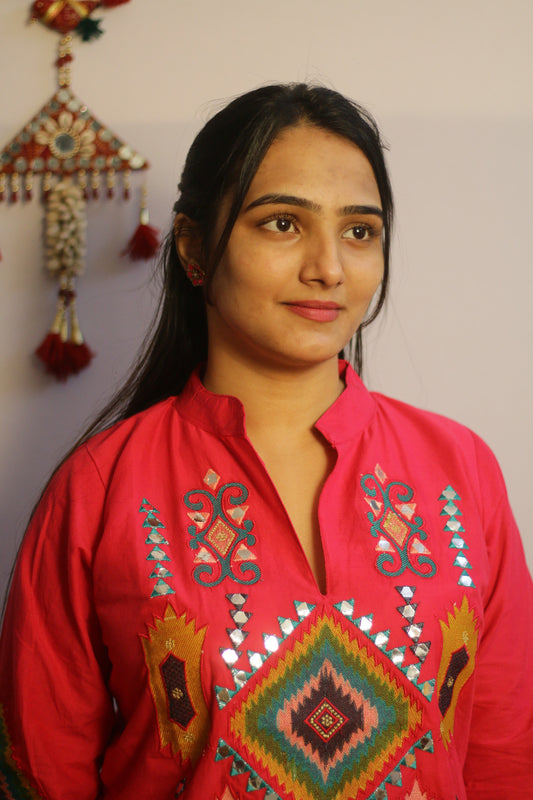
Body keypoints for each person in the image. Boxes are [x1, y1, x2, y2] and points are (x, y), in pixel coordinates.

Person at [0, 83, 531, 800]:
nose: (329, 268)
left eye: (359, 231)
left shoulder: (459, 471)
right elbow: (42, 768)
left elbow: (505, 751)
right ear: (193, 247)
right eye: (282, 224)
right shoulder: (101, 487)